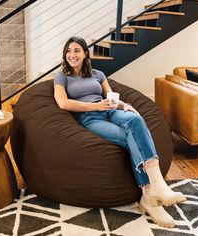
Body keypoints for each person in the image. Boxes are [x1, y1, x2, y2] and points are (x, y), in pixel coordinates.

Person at [53, 36, 186, 228]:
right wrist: (95, 107)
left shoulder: (98, 74)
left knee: (136, 119)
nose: (72, 55)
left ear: (85, 53)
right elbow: (63, 103)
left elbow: (110, 96)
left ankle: (154, 190)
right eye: (69, 51)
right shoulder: (62, 76)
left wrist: (126, 105)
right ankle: (151, 193)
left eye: (77, 50)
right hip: (91, 117)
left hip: (110, 110)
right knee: (133, 138)